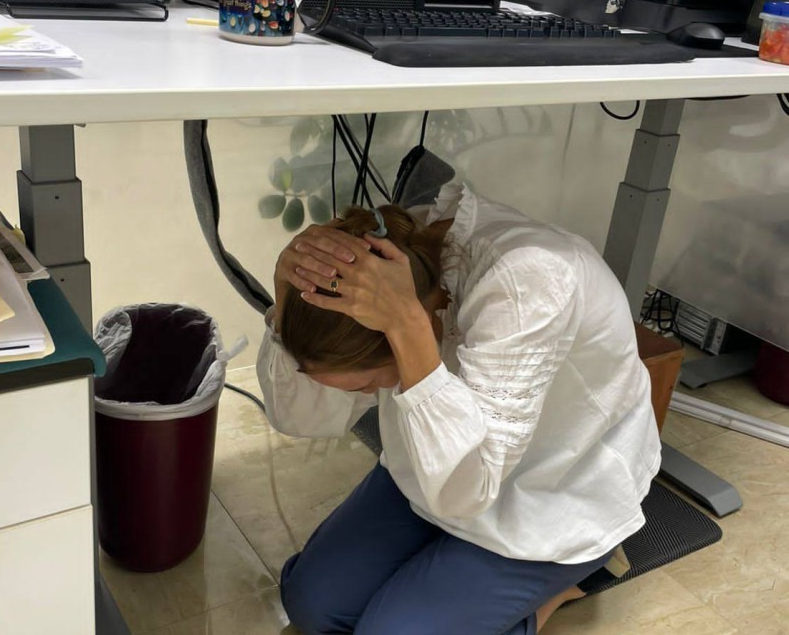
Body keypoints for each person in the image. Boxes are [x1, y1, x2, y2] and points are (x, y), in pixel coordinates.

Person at [257, 184, 661, 635]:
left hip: (552, 488)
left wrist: (408, 327)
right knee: (312, 605)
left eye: (370, 385)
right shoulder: (386, 268)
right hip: (438, 468)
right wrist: (285, 302)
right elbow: (300, 419)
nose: (371, 397)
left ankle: (570, 579)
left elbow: (466, 494)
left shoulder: (529, 281)